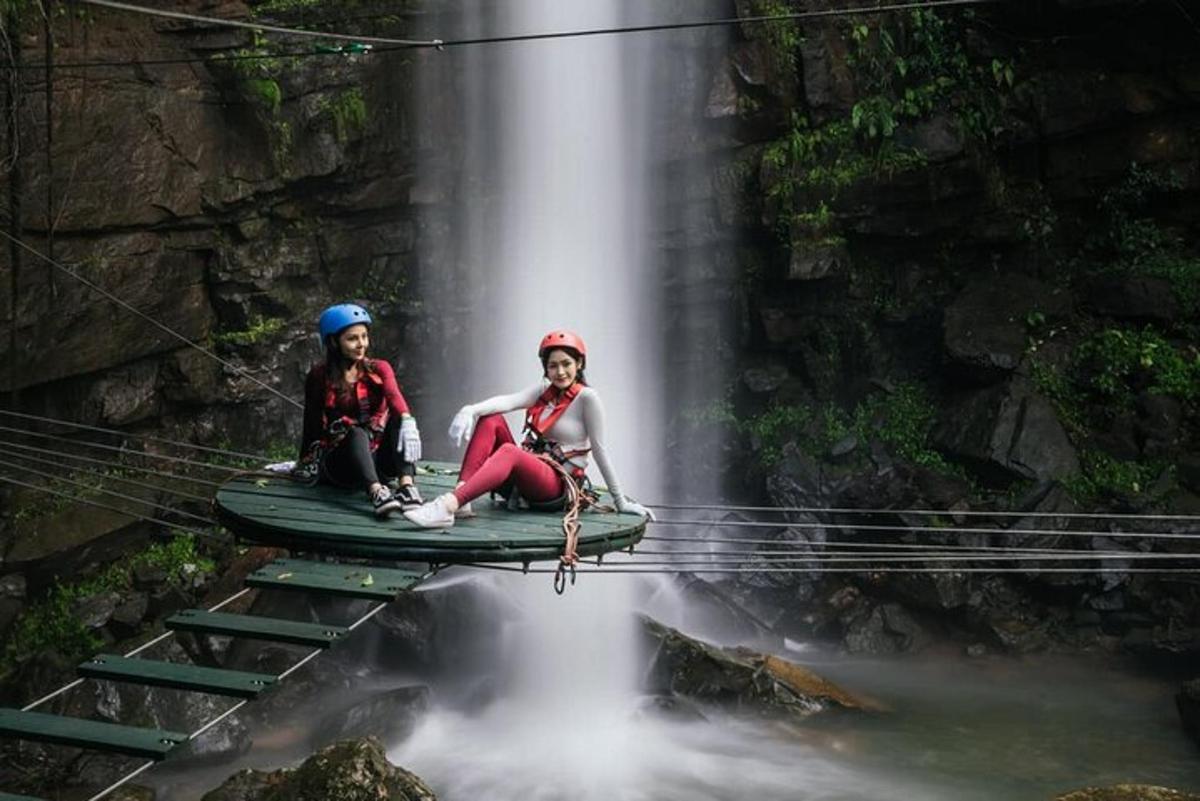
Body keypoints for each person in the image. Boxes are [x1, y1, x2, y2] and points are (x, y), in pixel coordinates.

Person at [403, 330, 653, 542]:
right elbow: (509, 401)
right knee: (491, 419)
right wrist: (470, 409)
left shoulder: (588, 398)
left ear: (579, 364)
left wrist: (621, 502)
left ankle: (447, 506)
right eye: (553, 365)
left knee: (510, 452)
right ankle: (463, 498)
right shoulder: (545, 391)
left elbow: (600, 451)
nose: (560, 371)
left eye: (566, 363)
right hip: (529, 477)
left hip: (555, 487)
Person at [296, 303, 424, 517]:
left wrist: (407, 420)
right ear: (334, 342)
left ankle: (406, 487)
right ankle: (376, 493)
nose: (361, 344)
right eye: (352, 338)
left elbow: (394, 396)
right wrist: (304, 461)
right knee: (356, 432)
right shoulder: (319, 376)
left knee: (400, 420)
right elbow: (311, 422)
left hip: (377, 460)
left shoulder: (379, 368)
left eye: (364, 336)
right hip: (342, 465)